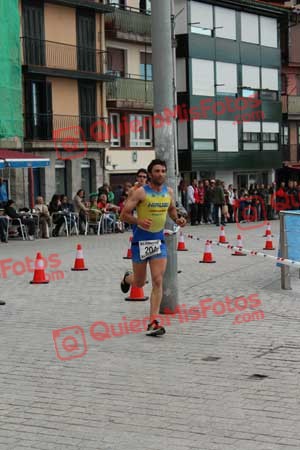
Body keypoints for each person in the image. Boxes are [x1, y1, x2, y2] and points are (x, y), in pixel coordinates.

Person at [120, 159, 187, 337]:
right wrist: (138, 221)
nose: (161, 174)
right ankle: (128, 279)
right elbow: (123, 215)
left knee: (158, 280)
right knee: (140, 282)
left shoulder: (169, 192)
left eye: (163, 171)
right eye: (157, 171)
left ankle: (153, 322)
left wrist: (177, 219)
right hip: (140, 242)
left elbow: (171, 210)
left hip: (158, 242)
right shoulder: (140, 192)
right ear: (150, 174)